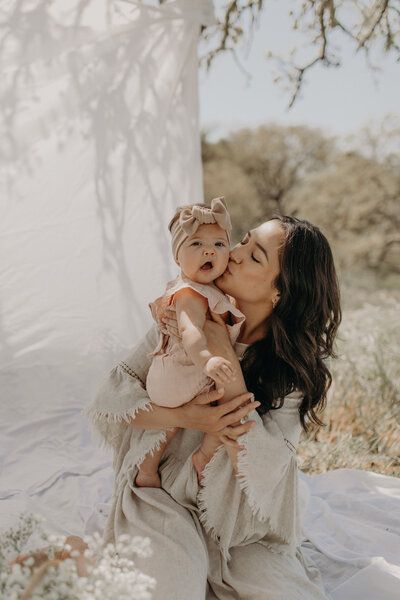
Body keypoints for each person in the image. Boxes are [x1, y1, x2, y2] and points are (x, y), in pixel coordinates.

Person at [85, 214, 341, 600]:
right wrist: (185, 417)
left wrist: (225, 357)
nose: (233, 254)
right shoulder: (184, 312)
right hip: (161, 492)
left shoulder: (289, 371)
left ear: (280, 293)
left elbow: (264, 467)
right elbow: (110, 399)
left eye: (254, 257)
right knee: (173, 589)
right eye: (243, 241)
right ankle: (84, 556)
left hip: (236, 525)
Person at [138, 197, 248, 488]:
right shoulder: (189, 294)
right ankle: (203, 455)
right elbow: (190, 331)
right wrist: (207, 359)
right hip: (181, 372)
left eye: (219, 244)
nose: (209, 250)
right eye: (196, 244)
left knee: (171, 427)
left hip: (181, 374)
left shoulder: (207, 291)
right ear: (177, 257)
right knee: (225, 402)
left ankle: (149, 469)